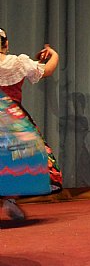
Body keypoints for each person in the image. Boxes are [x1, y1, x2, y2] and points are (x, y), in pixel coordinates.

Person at [0, 28, 61, 220]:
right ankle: (10, 199)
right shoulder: (18, 62)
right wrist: (53, 54)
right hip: (13, 118)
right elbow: (48, 70)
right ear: (6, 44)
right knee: (18, 158)